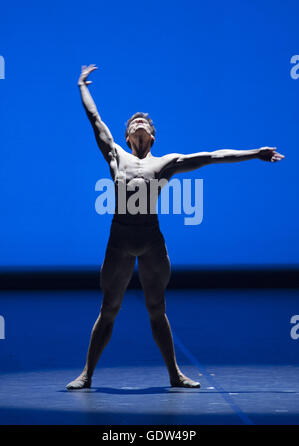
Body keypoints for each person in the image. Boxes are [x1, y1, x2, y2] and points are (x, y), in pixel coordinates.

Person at [66, 64, 285, 390]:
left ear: (152, 136)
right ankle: (87, 375)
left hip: (152, 242)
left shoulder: (165, 163)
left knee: (157, 308)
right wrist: (83, 84)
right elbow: (95, 118)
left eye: (144, 123)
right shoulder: (115, 155)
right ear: (127, 136)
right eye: (133, 123)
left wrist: (256, 154)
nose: (138, 123)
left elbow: (213, 156)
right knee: (109, 308)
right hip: (119, 241)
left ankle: (174, 375)